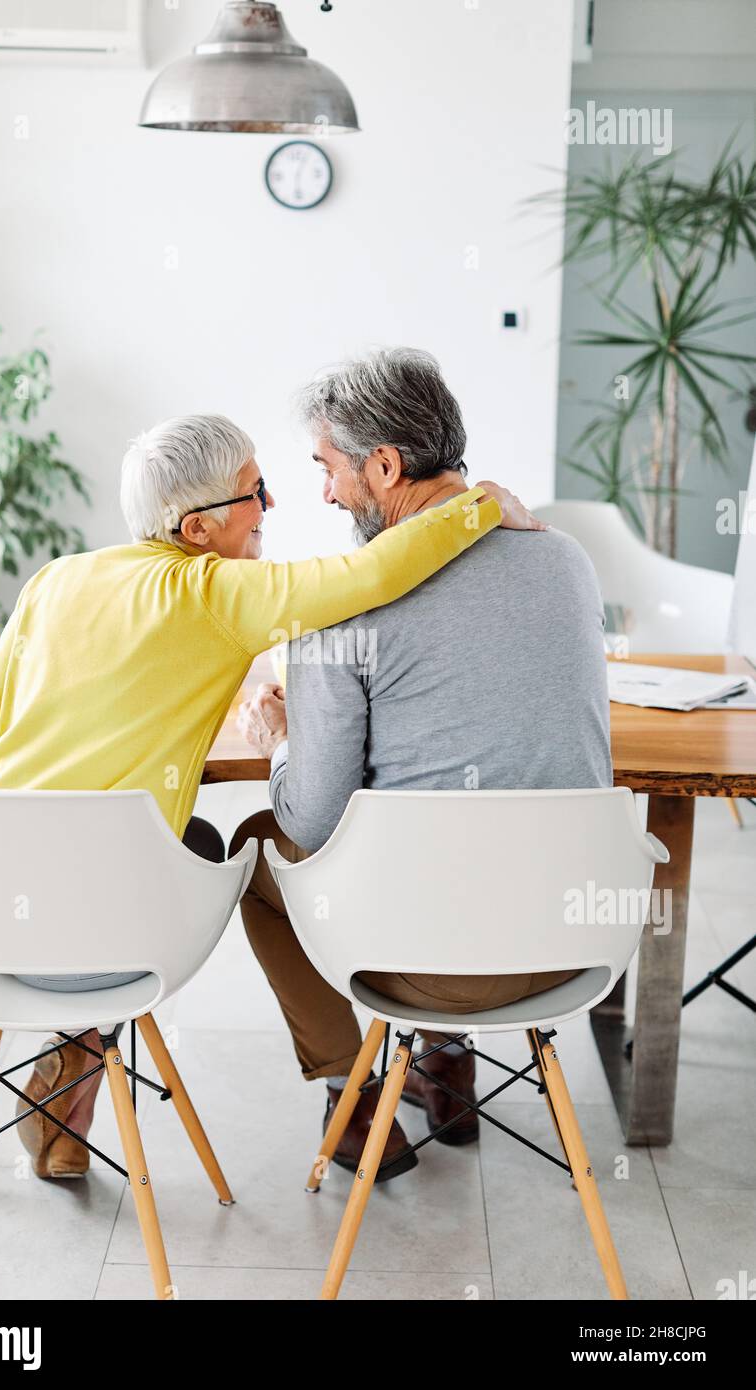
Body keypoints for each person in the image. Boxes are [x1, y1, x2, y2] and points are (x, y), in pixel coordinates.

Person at [0, 408, 539, 1177]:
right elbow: (373, 575)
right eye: (256, 492)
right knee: (213, 845)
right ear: (197, 529)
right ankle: (92, 1056)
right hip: (107, 948)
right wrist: (481, 503)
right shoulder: (217, 593)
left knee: (146, 847)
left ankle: (69, 1084)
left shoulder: (54, 580)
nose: (272, 506)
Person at [232, 348, 611, 1182]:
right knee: (462, 802)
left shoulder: (338, 605)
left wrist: (284, 743)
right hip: (569, 942)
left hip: (429, 961)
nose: (324, 493)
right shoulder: (568, 561)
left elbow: (313, 821)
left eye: (327, 469)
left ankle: (354, 1090)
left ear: (386, 465)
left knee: (261, 844)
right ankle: (444, 1065)